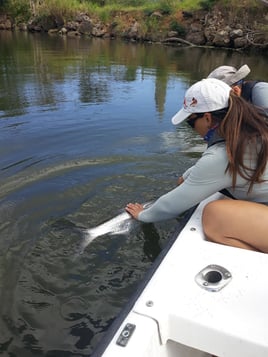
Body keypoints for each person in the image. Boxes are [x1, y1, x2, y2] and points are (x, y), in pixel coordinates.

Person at [125, 78, 268, 253]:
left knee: (214, 216)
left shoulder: (223, 155)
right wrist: (187, 177)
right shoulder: (258, 125)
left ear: (207, 118)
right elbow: (213, 168)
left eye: (190, 122)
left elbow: (171, 206)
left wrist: (143, 214)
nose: (192, 128)